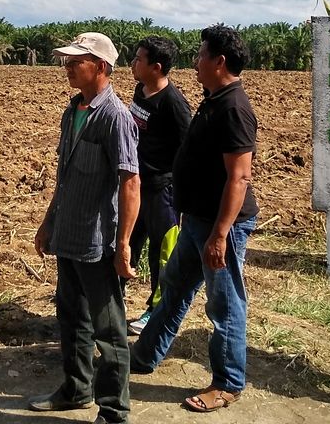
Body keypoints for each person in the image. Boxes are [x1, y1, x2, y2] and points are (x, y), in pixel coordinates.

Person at [130, 25, 259, 413]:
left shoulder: (235, 107)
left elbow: (239, 177)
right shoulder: (214, 98)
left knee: (225, 302)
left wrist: (220, 234)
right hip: (198, 219)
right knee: (175, 285)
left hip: (222, 224)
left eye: (201, 54)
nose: (195, 61)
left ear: (219, 61)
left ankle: (228, 382)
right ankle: (144, 355)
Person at [31, 32, 141, 424]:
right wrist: (48, 222)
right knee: (71, 317)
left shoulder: (115, 117)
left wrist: (124, 243)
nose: (67, 66)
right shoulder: (72, 111)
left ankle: (113, 411)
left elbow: (130, 182)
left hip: (99, 241)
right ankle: (76, 390)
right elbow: (64, 178)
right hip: (69, 235)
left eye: (76, 61)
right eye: (67, 60)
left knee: (108, 330)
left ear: (102, 67)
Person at [125, 36, 192, 335]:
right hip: (135, 184)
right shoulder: (140, 90)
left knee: (162, 254)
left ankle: (156, 310)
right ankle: (115, 299)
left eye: (139, 59)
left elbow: (187, 151)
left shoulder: (174, 105)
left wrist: (183, 195)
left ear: (157, 67)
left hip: (162, 190)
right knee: (126, 242)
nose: (133, 64)